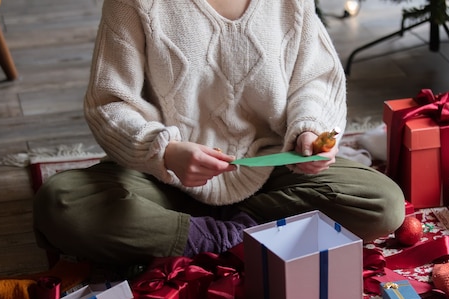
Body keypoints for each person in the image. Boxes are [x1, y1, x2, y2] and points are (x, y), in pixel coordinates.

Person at [33, 0, 405, 267]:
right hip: (165, 179)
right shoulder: (132, 4)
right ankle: (243, 237)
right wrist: (165, 152)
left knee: (382, 203)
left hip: (269, 170)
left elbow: (315, 79)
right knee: (61, 202)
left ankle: (208, 236)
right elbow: (110, 102)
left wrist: (309, 129)